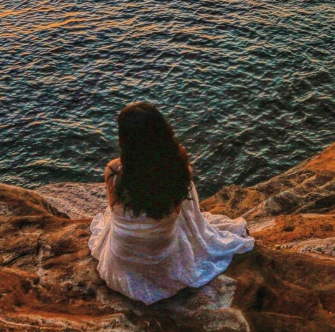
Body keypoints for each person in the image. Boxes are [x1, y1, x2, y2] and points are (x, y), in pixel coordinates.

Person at [88, 102, 255, 304]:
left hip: (122, 264)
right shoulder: (177, 162)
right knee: (184, 189)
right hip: (162, 256)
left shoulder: (114, 170)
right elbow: (177, 211)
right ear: (162, 130)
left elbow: (115, 209)